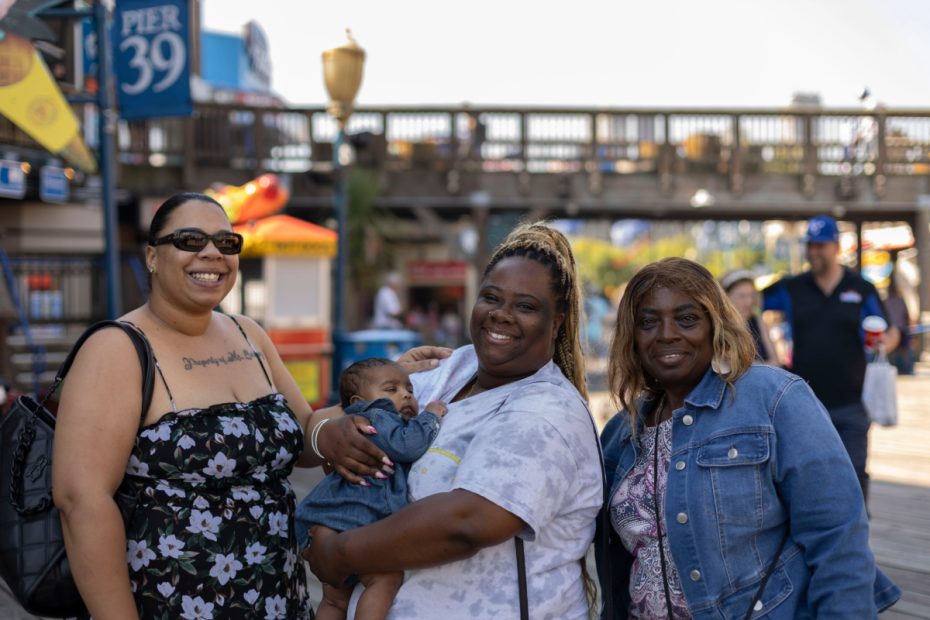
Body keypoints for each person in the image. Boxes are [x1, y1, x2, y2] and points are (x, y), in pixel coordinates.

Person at [50, 192, 442, 619]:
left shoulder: (248, 334)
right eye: (190, 240)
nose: (212, 253)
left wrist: (384, 389)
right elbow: (82, 501)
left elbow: (307, 433)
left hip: (278, 598)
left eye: (226, 243)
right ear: (151, 256)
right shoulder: (116, 348)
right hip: (171, 603)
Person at [304, 221, 603, 619]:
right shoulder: (452, 368)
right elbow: (321, 428)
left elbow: (467, 523)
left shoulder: (548, 413)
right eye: (491, 298)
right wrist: (330, 433)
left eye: (526, 306)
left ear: (559, 320)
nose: (501, 315)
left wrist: (339, 554)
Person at [597, 257, 900, 619]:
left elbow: (838, 538)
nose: (666, 334)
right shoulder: (620, 433)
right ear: (632, 335)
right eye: (648, 322)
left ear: (716, 324)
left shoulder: (775, 399)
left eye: (687, 318)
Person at [296, 358, 447, 620]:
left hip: (327, 522)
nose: (406, 395)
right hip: (352, 522)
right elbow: (408, 445)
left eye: (409, 390)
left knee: (334, 600)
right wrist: (431, 416)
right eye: (392, 389)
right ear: (356, 401)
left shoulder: (364, 420)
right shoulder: (377, 416)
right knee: (386, 579)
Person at [762, 215, 899, 504]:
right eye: (810, 245)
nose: (814, 252)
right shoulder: (792, 287)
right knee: (805, 474)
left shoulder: (861, 288)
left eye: (820, 245)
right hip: (804, 403)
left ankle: (857, 538)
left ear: (836, 246)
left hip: (852, 402)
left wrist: (885, 343)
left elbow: (891, 330)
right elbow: (748, 304)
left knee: (854, 471)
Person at [720, 269, 779, 365]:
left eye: (751, 296)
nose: (749, 302)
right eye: (742, 296)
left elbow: (776, 361)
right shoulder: (721, 328)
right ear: (726, 298)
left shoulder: (758, 322)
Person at [884, 275, 915, 375]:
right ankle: (904, 367)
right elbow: (906, 315)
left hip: (895, 328)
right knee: (902, 350)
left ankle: (899, 367)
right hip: (900, 328)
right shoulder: (899, 300)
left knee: (896, 350)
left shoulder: (887, 301)